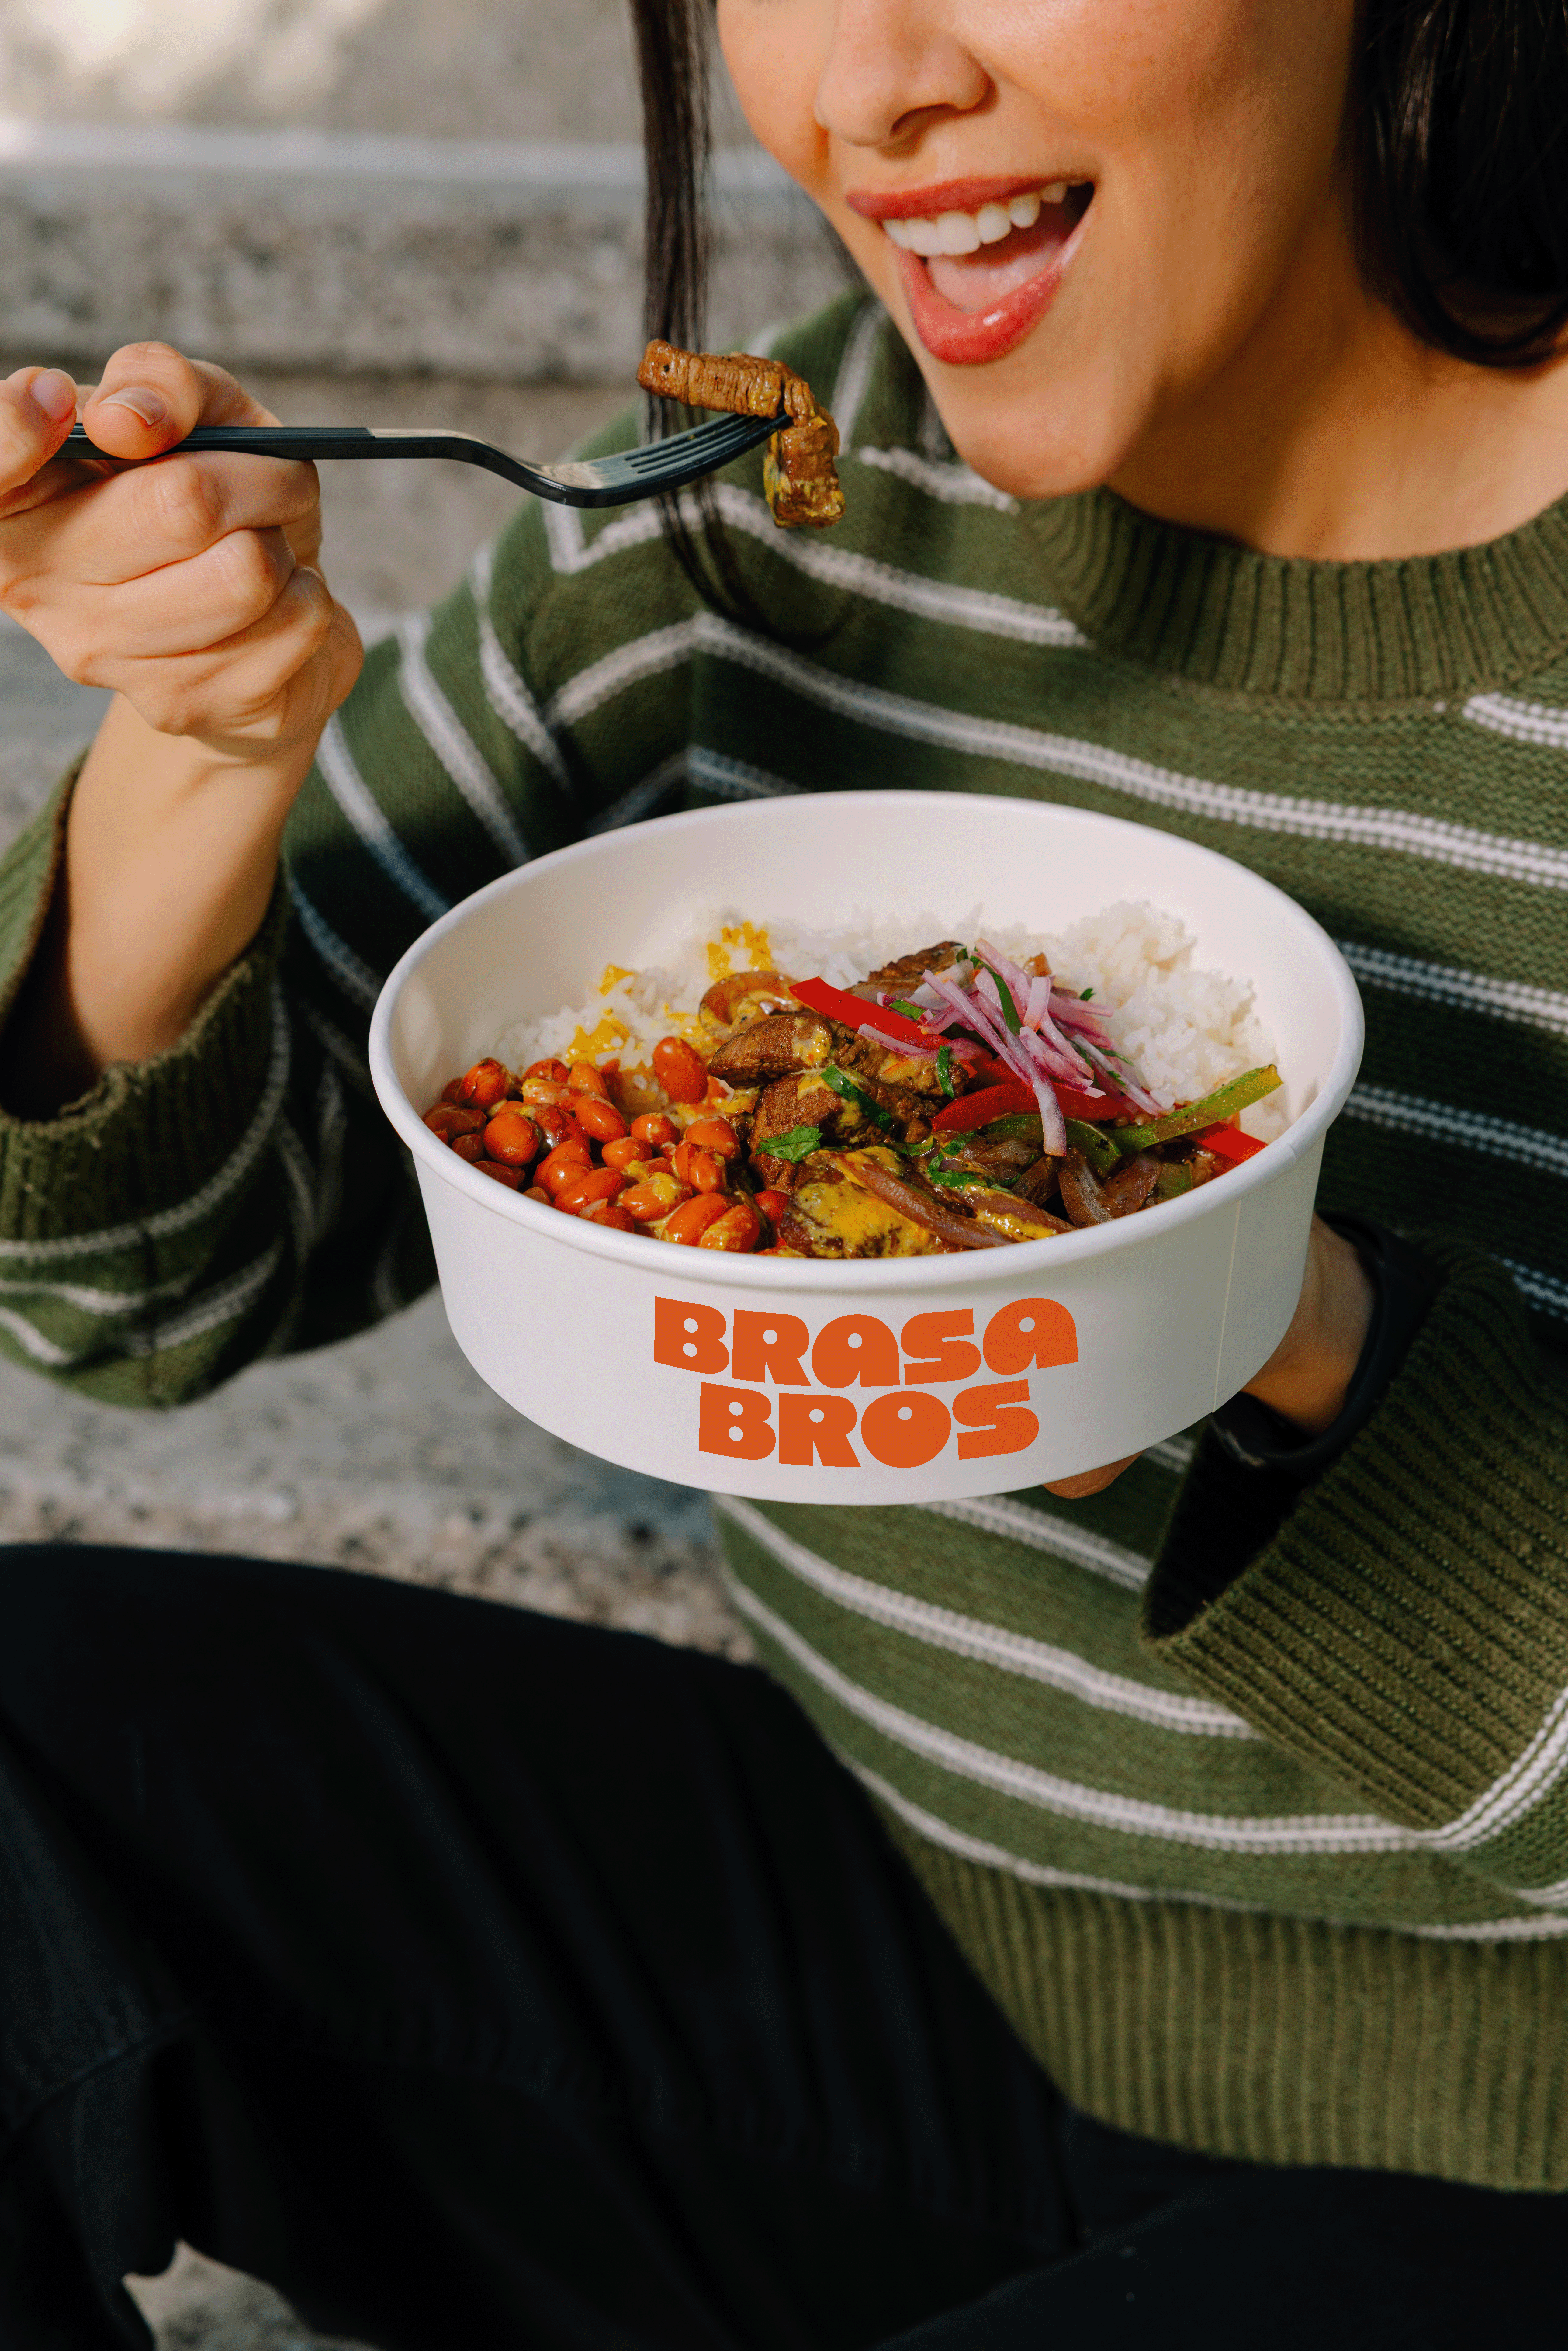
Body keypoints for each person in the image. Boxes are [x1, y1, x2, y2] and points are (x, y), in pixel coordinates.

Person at [1, 0, 1566, 2341]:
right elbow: (139, 1294)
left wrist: (1270, 1320)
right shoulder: (783, 491)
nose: (865, 84)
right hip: (906, 1968)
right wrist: (209, 752)